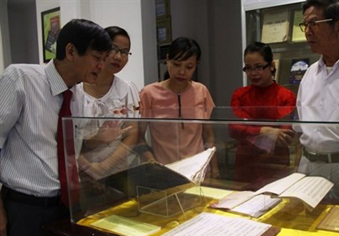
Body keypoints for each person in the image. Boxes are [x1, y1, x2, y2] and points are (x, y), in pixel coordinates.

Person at [0, 19, 112, 236]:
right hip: (24, 207)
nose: (102, 66)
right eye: (97, 58)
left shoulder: (79, 97)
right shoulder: (21, 79)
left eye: (104, 59)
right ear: (71, 51)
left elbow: (71, 151)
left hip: (64, 206)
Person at [138, 37, 219, 178]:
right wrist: (152, 162)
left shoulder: (201, 91)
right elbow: (138, 137)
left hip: (198, 171)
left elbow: (208, 135)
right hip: (164, 172)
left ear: (196, 65)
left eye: (189, 67)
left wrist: (215, 170)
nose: (182, 72)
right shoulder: (149, 93)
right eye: (176, 64)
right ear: (167, 59)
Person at [73, 26, 140, 180]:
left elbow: (133, 134)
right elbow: (68, 139)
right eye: (114, 49)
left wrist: (104, 167)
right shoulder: (75, 92)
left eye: (124, 52)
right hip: (81, 174)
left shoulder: (127, 90)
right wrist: (88, 168)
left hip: (118, 172)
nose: (118, 57)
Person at [229, 42, 296, 187]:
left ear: (271, 66)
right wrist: (264, 131)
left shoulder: (286, 96)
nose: (253, 73)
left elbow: (285, 136)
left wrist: (249, 131)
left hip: (275, 163)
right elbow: (233, 128)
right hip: (246, 164)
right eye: (248, 68)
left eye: (259, 67)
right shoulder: (240, 95)